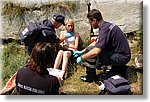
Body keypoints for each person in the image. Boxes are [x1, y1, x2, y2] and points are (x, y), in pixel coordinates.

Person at [73, 9, 131, 82]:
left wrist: (82, 57)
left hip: (121, 57)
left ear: (94, 20)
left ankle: (91, 77)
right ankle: (114, 68)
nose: (90, 24)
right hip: (122, 54)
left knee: (92, 52)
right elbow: (96, 43)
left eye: (90, 22)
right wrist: (82, 51)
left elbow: (95, 51)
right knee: (90, 49)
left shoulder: (104, 30)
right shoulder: (106, 26)